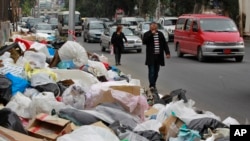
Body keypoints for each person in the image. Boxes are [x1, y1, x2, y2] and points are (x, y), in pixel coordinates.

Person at [143, 22, 171, 93]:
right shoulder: (147, 34)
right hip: (151, 56)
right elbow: (144, 41)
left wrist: (167, 52)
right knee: (151, 71)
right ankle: (152, 85)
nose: (154, 28)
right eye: (152, 27)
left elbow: (164, 44)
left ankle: (154, 84)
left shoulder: (160, 34)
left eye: (155, 27)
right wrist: (151, 34)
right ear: (150, 27)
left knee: (156, 71)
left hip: (158, 56)